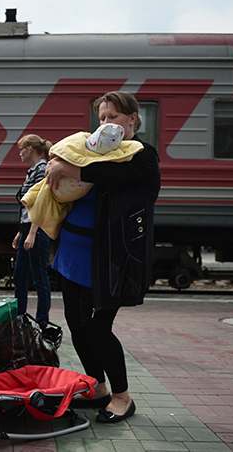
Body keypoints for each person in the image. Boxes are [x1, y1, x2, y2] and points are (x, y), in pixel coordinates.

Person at [45, 91, 161, 423]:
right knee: (75, 324)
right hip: (71, 253)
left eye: (113, 117)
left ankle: (122, 397)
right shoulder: (90, 151)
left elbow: (109, 176)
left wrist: (63, 165)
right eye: (102, 118)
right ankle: (97, 387)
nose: (106, 124)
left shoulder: (142, 155)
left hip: (107, 260)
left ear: (133, 119)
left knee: (96, 328)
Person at [12, 134, 52, 325]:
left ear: (29, 150)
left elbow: (41, 202)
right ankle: (20, 317)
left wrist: (32, 232)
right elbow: (27, 205)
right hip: (28, 230)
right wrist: (21, 231)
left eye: (21, 149)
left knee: (39, 279)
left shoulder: (42, 169)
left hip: (37, 230)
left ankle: (42, 322)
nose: (18, 154)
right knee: (19, 275)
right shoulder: (32, 171)